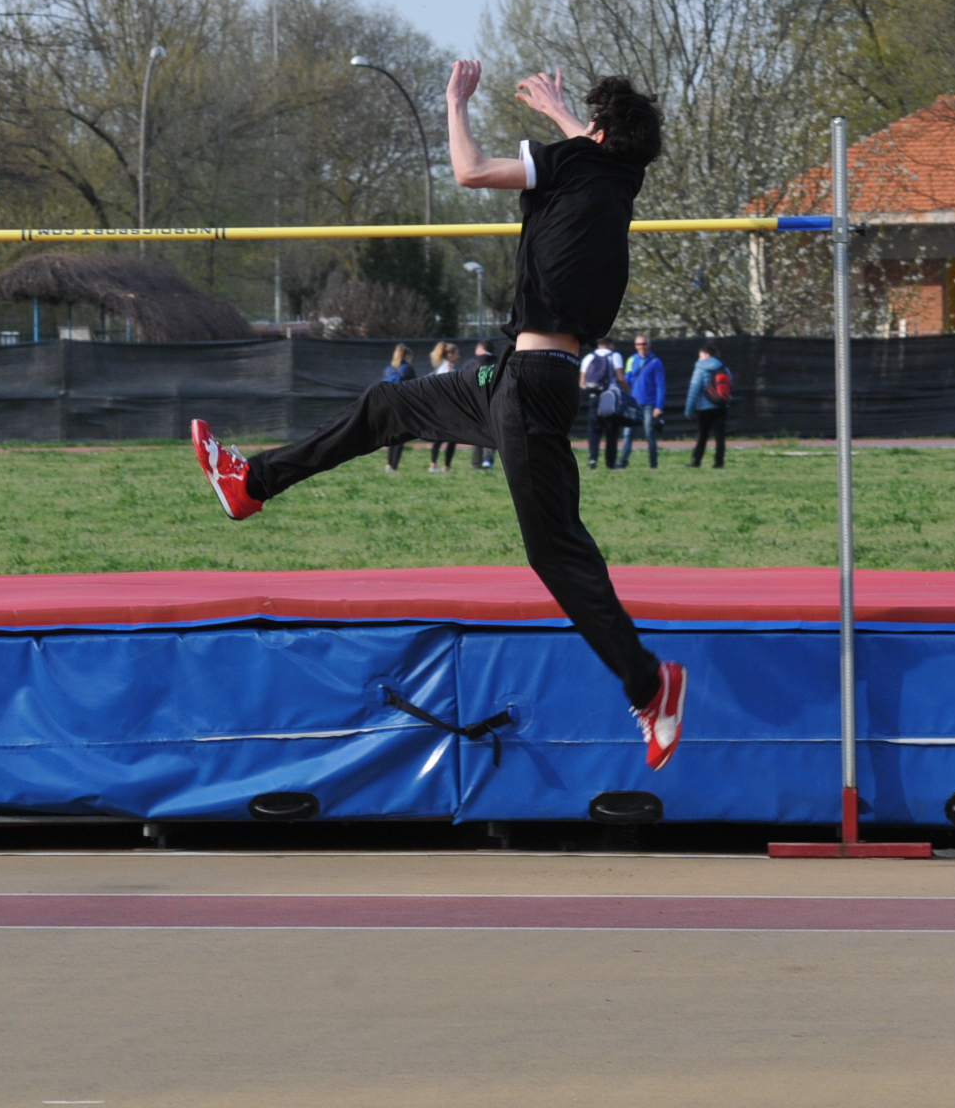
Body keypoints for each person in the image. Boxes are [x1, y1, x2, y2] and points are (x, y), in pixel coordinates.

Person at [191, 62, 688, 770]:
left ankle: (650, 686)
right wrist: (558, 112)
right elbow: (598, 145)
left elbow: (469, 171)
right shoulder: (619, 179)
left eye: (587, 125)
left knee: (556, 551)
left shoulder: (582, 162)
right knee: (387, 405)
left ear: (598, 135)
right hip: (511, 377)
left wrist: (456, 103)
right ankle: (250, 484)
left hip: (530, 384)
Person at [614, 334, 664, 469]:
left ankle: (653, 464)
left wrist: (659, 406)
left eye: (644, 344)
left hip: (649, 403)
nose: (642, 347)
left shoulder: (656, 362)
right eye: (639, 344)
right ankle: (623, 462)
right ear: (635, 346)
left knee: (649, 433)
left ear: (649, 345)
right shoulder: (632, 360)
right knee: (627, 434)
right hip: (633, 404)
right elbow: (627, 380)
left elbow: (660, 385)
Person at [579, 336, 624, 470]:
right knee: (612, 430)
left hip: (594, 397)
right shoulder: (614, 356)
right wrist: (628, 392)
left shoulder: (589, 357)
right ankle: (610, 462)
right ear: (610, 344)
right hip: (610, 397)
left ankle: (592, 458)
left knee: (594, 430)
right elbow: (620, 378)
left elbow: (582, 382)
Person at [685, 342, 729, 469]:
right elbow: (728, 387)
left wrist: (689, 410)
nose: (699, 359)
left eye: (700, 356)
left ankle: (696, 461)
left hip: (704, 408)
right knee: (720, 437)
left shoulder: (700, 369)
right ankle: (719, 463)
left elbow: (693, 390)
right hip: (721, 406)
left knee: (702, 435)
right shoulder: (724, 368)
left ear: (707, 355)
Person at [462, 339, 497, 470]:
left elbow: (463, 382)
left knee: (478, 432)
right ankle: (488, 460)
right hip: (494, 402)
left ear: (481, 348)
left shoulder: (472, 363)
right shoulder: (499, 363)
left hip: (475, 402)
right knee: (492, 433)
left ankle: (476, 463)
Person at [381, 343, 415, 472]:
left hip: (388, 404)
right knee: (401, 436)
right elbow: (414, 387)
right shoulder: (408, 369)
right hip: (402, 405)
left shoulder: (389, 369)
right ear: (406, 356)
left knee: (392, 436)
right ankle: (394, 466)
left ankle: (389, 465)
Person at [427, 342, 461, 471]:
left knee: (446, 437)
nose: (459, 356)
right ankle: (437, 465)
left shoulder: (448, 368)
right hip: (446, 408)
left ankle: (442, 465)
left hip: (447, 408)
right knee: (445, 437)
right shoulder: (445, 369)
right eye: (457, 353)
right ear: (450, 354)